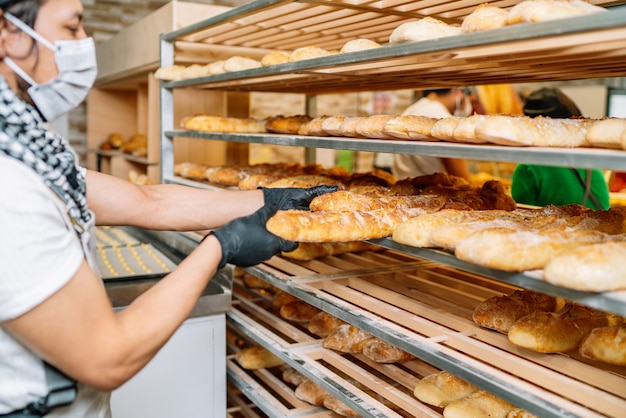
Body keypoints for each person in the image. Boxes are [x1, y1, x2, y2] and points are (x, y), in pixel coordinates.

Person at [0, 1, 336, 416]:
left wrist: (272, 199)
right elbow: (108, 357)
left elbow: (148, 202)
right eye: (72, 28)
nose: (84, 44)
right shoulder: (8, 185)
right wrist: (221, 247)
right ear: (8, 33)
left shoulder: (28, 152)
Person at [510, 87, 610, 210]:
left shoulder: (528, 168)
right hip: (600, 228)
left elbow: (519, 220)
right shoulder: (590, 164)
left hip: (552, 229)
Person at [391, 88, 473, 181]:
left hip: (402, 186)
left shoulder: (411, 110)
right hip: (429, 190)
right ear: (457, 91)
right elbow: (461, 176)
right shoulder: (442, 118)